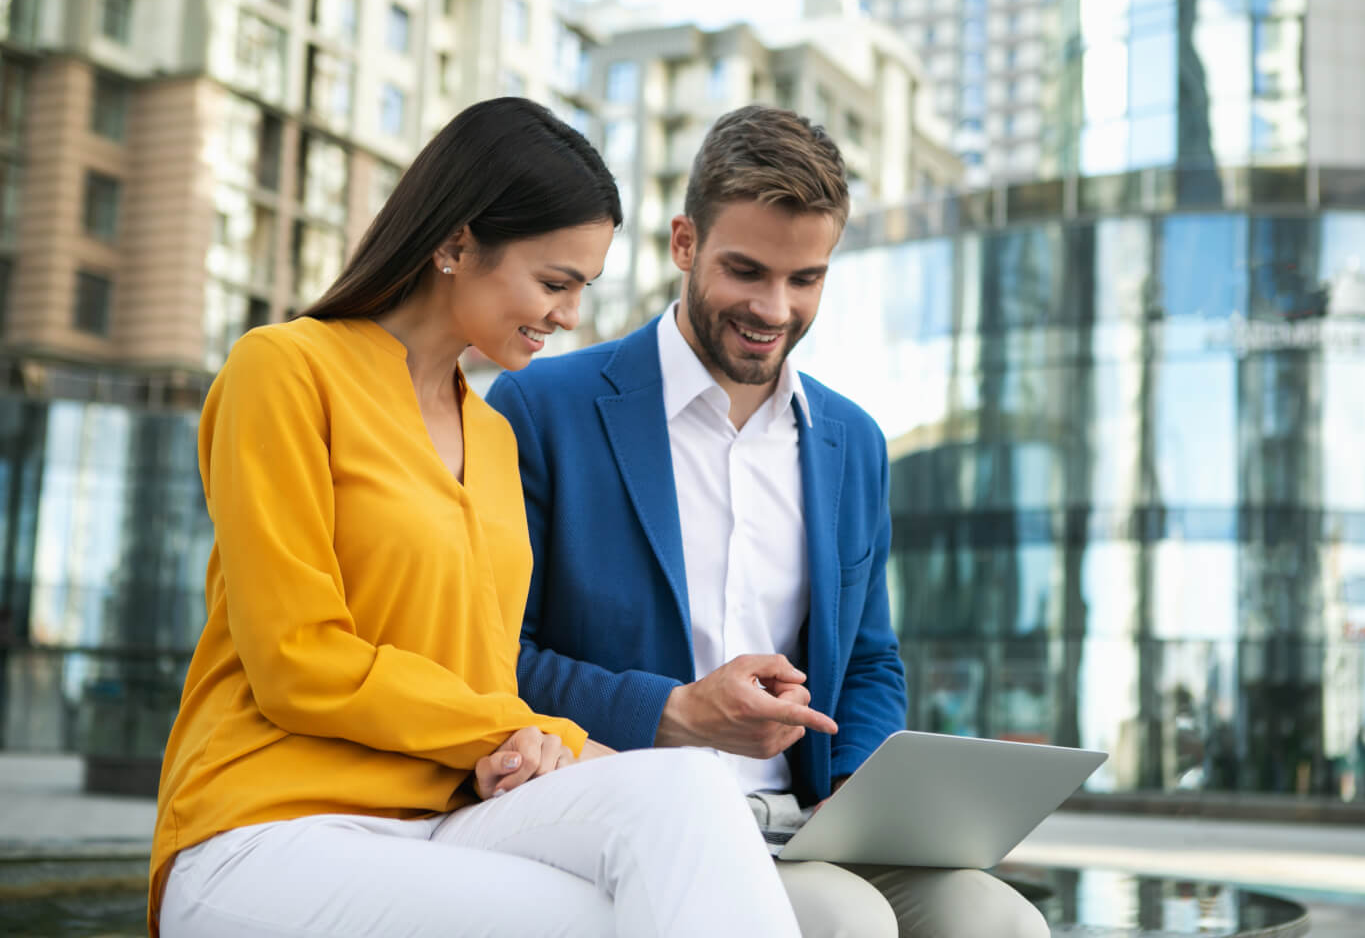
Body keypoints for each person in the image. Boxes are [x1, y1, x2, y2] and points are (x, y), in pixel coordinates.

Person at [149, 98, 802, 938]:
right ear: (456, 244)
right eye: (554, 281)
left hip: (442, 816)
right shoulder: (283, 371)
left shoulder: (492, 437)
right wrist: (525, 728)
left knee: (690, 788)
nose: (569, 315)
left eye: (583, 289)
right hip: (265, 822)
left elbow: (485, 680)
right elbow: (294, 659)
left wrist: (527, 740)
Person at [487, 104, 1050, 938]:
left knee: (1000, 923)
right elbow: (501, 655)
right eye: (746, 271)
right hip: (634, 806)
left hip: (807, 821)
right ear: (685, 244)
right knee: (845, 922)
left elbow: (869, 659)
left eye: (805, 279)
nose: (775, 309)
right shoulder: (543, 408)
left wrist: (861, 783)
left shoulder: (851, 440)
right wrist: (674, 708)